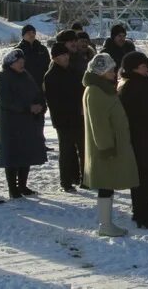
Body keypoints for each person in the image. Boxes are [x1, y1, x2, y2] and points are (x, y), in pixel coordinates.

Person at [82, 54, 139, 237]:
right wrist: (106, 147)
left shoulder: (103, 89)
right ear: (101, 71)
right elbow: (98, 123)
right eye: (111, 70)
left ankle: (107, 223)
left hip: (112, 146)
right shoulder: (95, 91)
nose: (114, 73)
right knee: (105, 185)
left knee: (108, 184)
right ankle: (105, 225)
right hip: (105, 149)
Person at [117, 52, 148, 229]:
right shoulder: (134, 86)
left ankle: (144, 213)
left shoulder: (141, 83)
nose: (147, 68)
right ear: (134, 68)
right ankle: (144, 216)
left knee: (145, 178)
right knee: (143, 180)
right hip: (142, 139)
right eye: (143, 66)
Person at [0, 49, 47, 199]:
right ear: (10, 63)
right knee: (13, 155)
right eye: (18, 62)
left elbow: (37, 93)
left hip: (28, 121)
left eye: (22, 61)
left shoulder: (26, 75)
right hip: (11, 123)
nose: (21, 64)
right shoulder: (3, 77)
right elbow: (5, 100)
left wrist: (40, 105)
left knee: (26, 153)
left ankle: (23, 185)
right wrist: (27, 108)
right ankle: (13, 188)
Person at [44, 42, 86, 192]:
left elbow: (82, 91)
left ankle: (85, 179)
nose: (66, 57)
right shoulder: (51, 76)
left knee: (83, 149)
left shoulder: (74, 72)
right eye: (62, 55)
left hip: (79, 117)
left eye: (66, 54)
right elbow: (54, 102)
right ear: (54, 58)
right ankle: (66, 182)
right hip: (63, 120)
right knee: (67, 152)